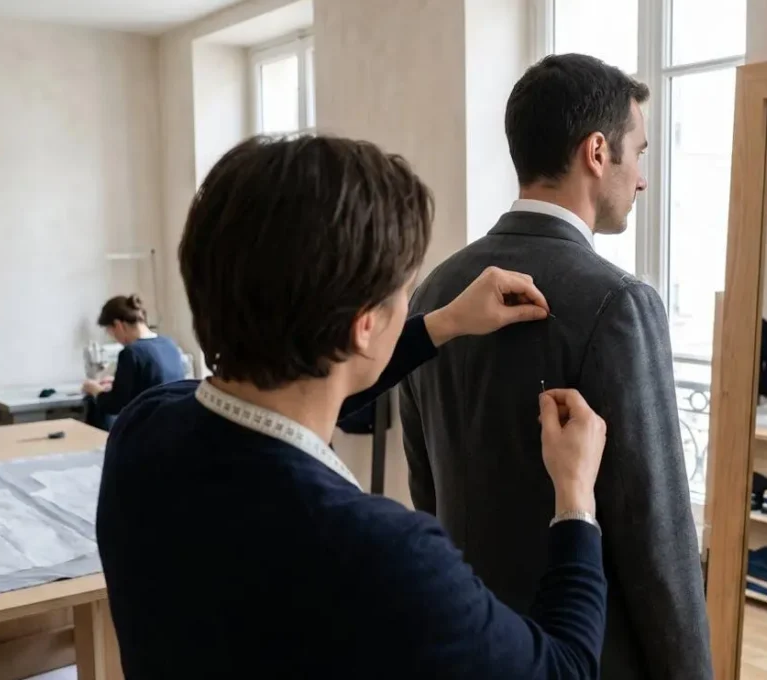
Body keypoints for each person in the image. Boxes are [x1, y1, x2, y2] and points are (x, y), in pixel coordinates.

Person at [97, 134, 614, 679]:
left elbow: (297, 388)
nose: (408, 303)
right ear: (364, 325)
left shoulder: (142, 430)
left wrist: (443, 323)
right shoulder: (382, 554)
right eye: (405, 292)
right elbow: (566, 671)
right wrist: (575, 498)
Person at [396, 53, 713, 679]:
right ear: (598, 152)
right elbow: (658, 538)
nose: (642, 178)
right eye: (639, 152)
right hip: (588, 651)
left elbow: (426, 490)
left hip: (475, 641)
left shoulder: (437, 292)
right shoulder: (620, 303)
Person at [81, 294, 187, 430]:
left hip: (147, 429)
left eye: (111, 332)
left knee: (94, 407)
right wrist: (117, 381)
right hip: (173, 425)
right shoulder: (169, 344)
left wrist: (95, 389)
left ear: (118, 325)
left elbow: (115, 405)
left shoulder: (131, 352)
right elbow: (154, 382)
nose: (115, 338)